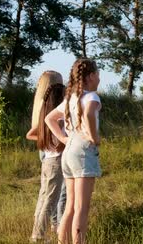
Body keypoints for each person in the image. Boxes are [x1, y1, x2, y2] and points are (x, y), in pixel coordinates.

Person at [45, 59, 101, 244]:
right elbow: (89, 114)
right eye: (98, 75)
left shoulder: (71, 99)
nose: (99, 79)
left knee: (70, 206)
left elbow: (49, 119)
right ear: (91, 76)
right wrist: (94, 137)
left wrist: (64, 139)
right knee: (81, 208)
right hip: (83, 151)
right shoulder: (91, 97)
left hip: (69, 152)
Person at [27, 82, 66, 242]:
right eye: (65, 93)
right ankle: (38, 236)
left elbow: (29, 134)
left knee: (43, 197)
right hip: (56, 161)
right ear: (59, 97)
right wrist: (61, 142)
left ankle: (37, 233)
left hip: (47, 162)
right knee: (50, 200)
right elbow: (63, 140)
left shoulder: (45, 115)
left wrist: (46, 140)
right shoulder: (59, 117)